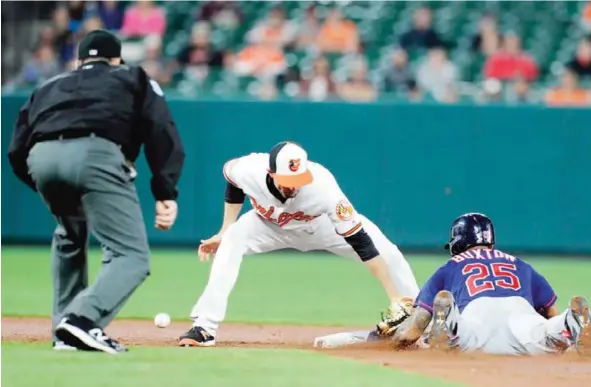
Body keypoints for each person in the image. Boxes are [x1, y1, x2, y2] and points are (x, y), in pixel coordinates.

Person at [7, 29, 185, 354]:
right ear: (117, 59)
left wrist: (44, 181)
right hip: (96, 153)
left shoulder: (48, 85)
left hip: (40, 158)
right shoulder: (132, 76)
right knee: (131, 255)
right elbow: (161, 128)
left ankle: (64, 330)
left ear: (78, 61)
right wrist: (165, 189)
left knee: (70, 234)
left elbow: (16, 148)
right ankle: (82, 320)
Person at [177, 141, 419, 347]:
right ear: (270, 173)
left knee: (390, 254)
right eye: (287, 179)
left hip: (322, 226)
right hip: (267, 225)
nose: (294, 185)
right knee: (231, 242)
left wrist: (393, 295)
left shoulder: (323, 186)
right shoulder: (248, 169)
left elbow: (362, 243)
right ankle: (204, 327)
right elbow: (233, 183)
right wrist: (225, 229)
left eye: (298, 178)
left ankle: (421, 322)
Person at [314, 213, 591, 359]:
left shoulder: (449, 267)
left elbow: (411, 332)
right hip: (521, 313)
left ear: (457, 242)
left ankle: (450, 323)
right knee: (545, 334)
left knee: (464, 338)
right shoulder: (520, 264)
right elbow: (547, 309)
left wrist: (390, 338)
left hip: (477, 314)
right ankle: (570, 322)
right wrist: (553, 326)